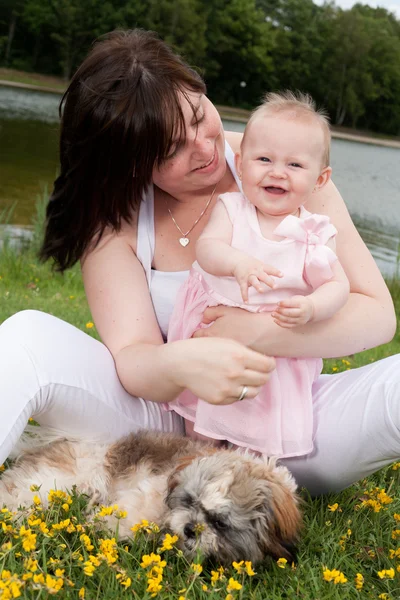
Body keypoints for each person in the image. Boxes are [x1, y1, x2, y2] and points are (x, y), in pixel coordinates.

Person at [0, 29, 397, 497]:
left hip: (288, 422)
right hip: (164, 425)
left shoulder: (284, 166)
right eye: (170, 150)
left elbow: (376, 315)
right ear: (131, 164)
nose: (205, 149)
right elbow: (132, 357)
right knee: (26, 335)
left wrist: (257, 332)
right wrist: (183, 363)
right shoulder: (116, 220)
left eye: (197, 115)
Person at [166, 92, 350, 458]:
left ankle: (247, 474)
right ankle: (195, 463)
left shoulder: (315, 231)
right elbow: (207, 249)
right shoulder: (233, 209)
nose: (277, 172)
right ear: (241, 162)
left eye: (295, 165)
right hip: (215, 334)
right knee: (201, 428)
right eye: (264, 159)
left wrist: (313, 307)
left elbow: (338, 285)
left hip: (274, 351)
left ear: (319, 180)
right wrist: (238, 263)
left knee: (258, 428)